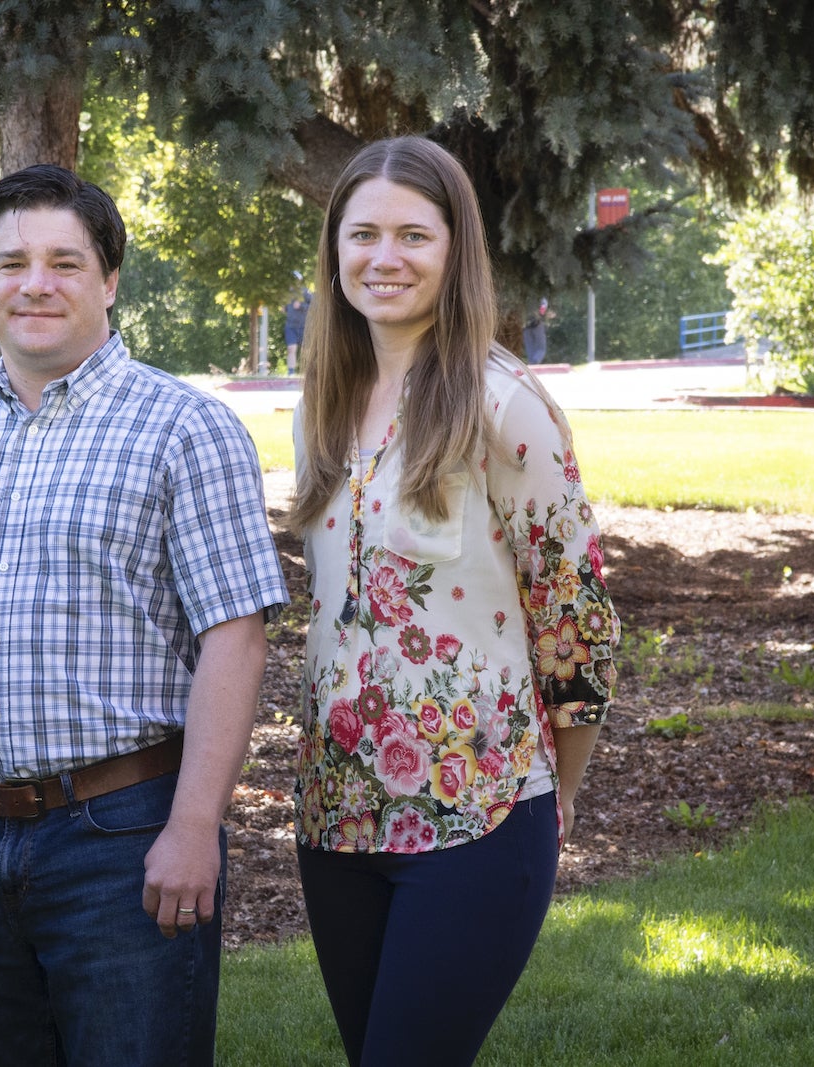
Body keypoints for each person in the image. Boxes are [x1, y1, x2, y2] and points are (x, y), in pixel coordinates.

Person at [0, 164, 288, 1066]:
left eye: (66, 262)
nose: (36, 282)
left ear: (109, 280)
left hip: (126, 833)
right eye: (11, 262)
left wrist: (193, 826)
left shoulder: (186, 427)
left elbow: (238, 636)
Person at [287, 137, 619, 1066]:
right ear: (335, 249)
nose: (383, 258)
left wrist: (554, 801)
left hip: (478, 814)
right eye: (362, 235)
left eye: (411, 235)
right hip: (336, 815)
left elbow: (578, 628)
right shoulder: (328, 399)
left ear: (454, 248)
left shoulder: (503, 403)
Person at [284, 277, 311, 375]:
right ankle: (291, 372)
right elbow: (286, 308)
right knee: (291, 348)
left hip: (304, 326)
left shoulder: (305, 291)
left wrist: (301, 306)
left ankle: (308, 372)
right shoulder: (286, 293)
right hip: (290, 325)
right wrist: (284, 308)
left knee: (307, 350)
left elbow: (314, 305)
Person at [522, 296, 551, 364]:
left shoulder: (523, 297)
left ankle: (531, 363)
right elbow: (543, 307)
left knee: (530, 348)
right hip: (537, 324)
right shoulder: (539, 296)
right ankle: (535, 362)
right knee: (541, 348)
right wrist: (541, 315)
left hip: (526, 325)